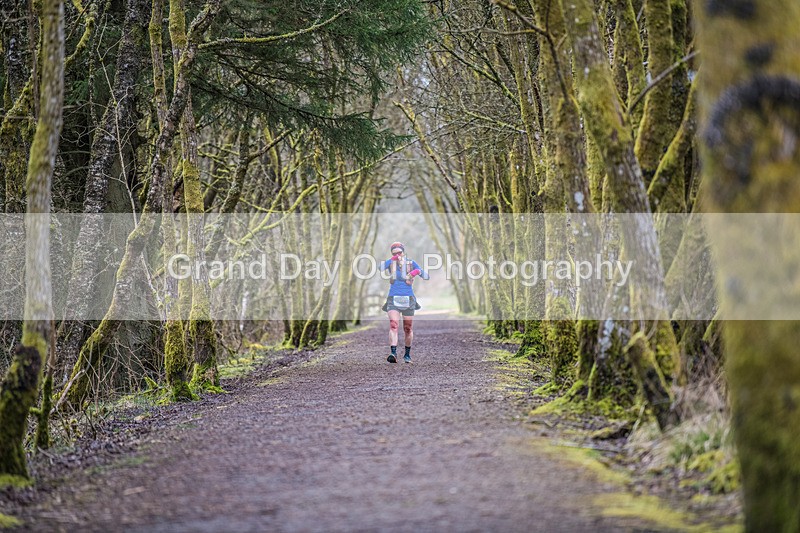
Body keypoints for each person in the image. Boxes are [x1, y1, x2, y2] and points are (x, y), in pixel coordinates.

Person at [381, 241, 429, 363]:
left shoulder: (411, 263)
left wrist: (415, 272)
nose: (398, 255)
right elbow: (379, 268)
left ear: (404, 252)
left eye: (399, 253)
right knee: (393, 325)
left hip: (408, 299)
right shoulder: (390, 263)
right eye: (394, 253)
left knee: (408, 328)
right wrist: (392, 259)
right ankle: (393, 353)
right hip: (393, 298)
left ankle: (407, 355)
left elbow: (426, 275)